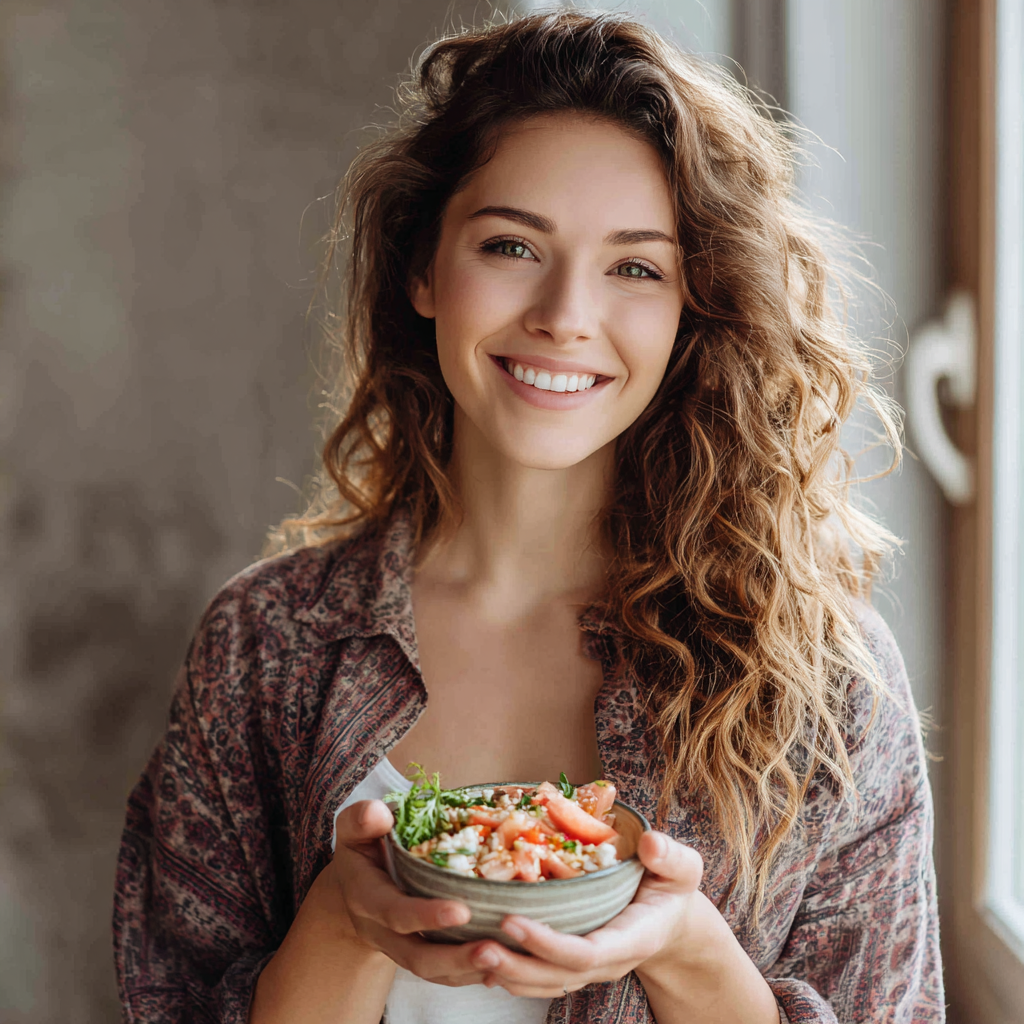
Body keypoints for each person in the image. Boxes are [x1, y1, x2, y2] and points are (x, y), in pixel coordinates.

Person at [112, 11, 944, 1024]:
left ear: (695, 306)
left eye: (635, 266)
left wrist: (683, 946)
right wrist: (345, 917)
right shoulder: (265, 648)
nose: (563, 314)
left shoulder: (822, 683)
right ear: (423, 268)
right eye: (511, 245)